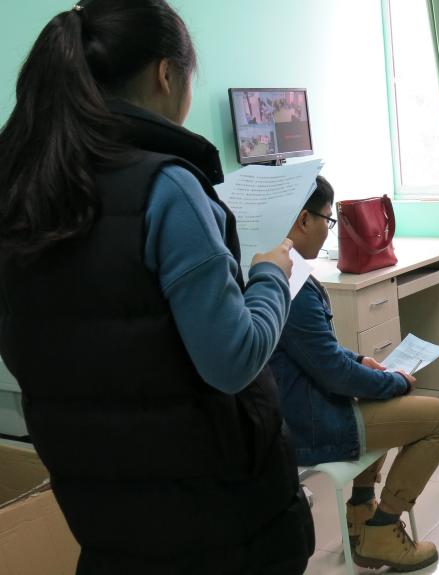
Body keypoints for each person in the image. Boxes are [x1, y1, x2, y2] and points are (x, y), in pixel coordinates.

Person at [0, 1, 315, 572]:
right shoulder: (166, 187)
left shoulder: (22, 191)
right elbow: (233, 359)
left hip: (101, 511)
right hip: (216, 520)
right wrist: (270, 275)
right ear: (166, 75)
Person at [269, 176, 439, 572]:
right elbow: (333, 372)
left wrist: (359, 359)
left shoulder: (272, 267)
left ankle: (361, 510)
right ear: (303, 220)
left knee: (382, 393)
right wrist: (393, 381)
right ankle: (383, 529)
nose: (328, 230)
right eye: (327, 220)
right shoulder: (292, 283)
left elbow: (314, 352)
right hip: (311, 423)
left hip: (299, 410)